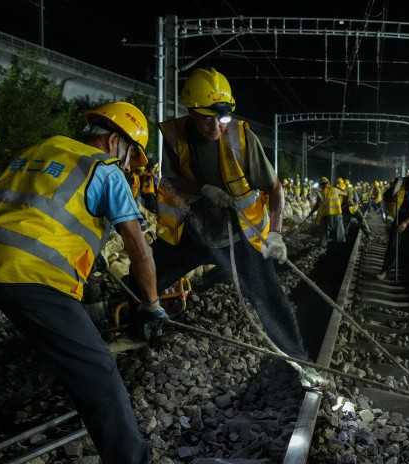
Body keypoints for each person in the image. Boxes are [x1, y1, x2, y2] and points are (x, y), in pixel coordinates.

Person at [0, 101, 174, 464]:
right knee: (96, 369)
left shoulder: (38, 150)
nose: (129, 165)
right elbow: (139, 250)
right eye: (131, 155)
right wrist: (152, 304)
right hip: (33, 273)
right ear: (114, 141)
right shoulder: (104, 170)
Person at [128, 67, 326, 390]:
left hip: (237, 238)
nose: (217, 126)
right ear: (192, 111)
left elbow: (274, 188)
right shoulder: (175, 136)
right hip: (192, 232)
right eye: (208, 119)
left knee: (270, 301)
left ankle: (302, 365)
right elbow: (171, 180)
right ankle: (135, 328)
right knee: (145, 273)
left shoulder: (240, 136)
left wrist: (274, 232)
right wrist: (202, 190)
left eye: (222, 118)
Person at [377, 164, 409, 279]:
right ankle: (385, 271)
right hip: (398, 218)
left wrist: (406, 222)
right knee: (393, 245)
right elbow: (385, 196)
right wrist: (392, 198)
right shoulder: (398, 183)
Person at [310, 176, 346, 248]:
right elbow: (345, 193)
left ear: (320, 185)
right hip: (337, 214)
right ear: (328, 183)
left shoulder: (320, 193)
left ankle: (322, 246)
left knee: (324, 233)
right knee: (340, 232)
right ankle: (341, 247)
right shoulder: (334, 189)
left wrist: (311, 212)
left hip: (326, 216)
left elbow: (317, 205)